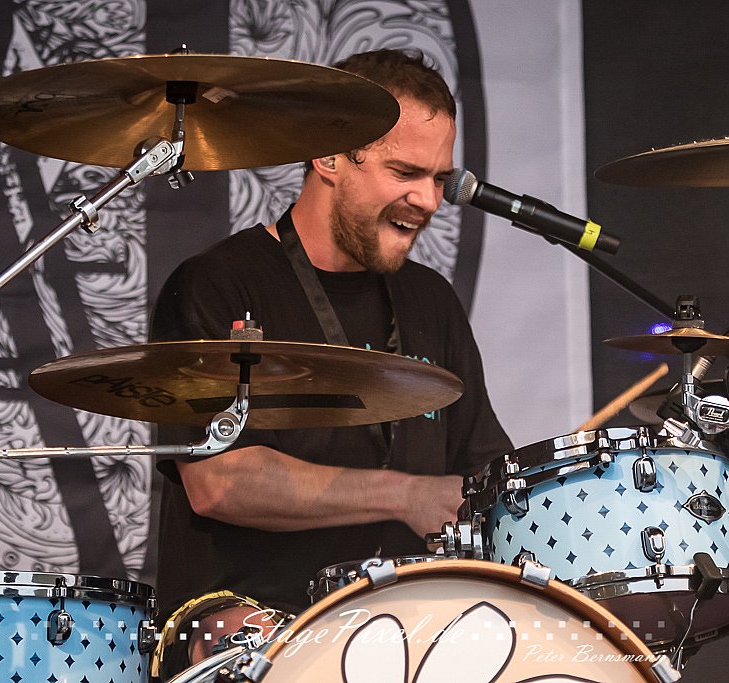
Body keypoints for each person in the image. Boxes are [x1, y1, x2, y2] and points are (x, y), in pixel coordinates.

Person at [149, 48, 512, 674]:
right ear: (328, 156)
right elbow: (218, 482)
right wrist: (404, 495)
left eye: (439, 179)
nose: (429, 201)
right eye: (405, 172)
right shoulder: (217, 284)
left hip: (410, 636)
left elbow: (482, 474)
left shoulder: (431, 300)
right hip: (250, 633)